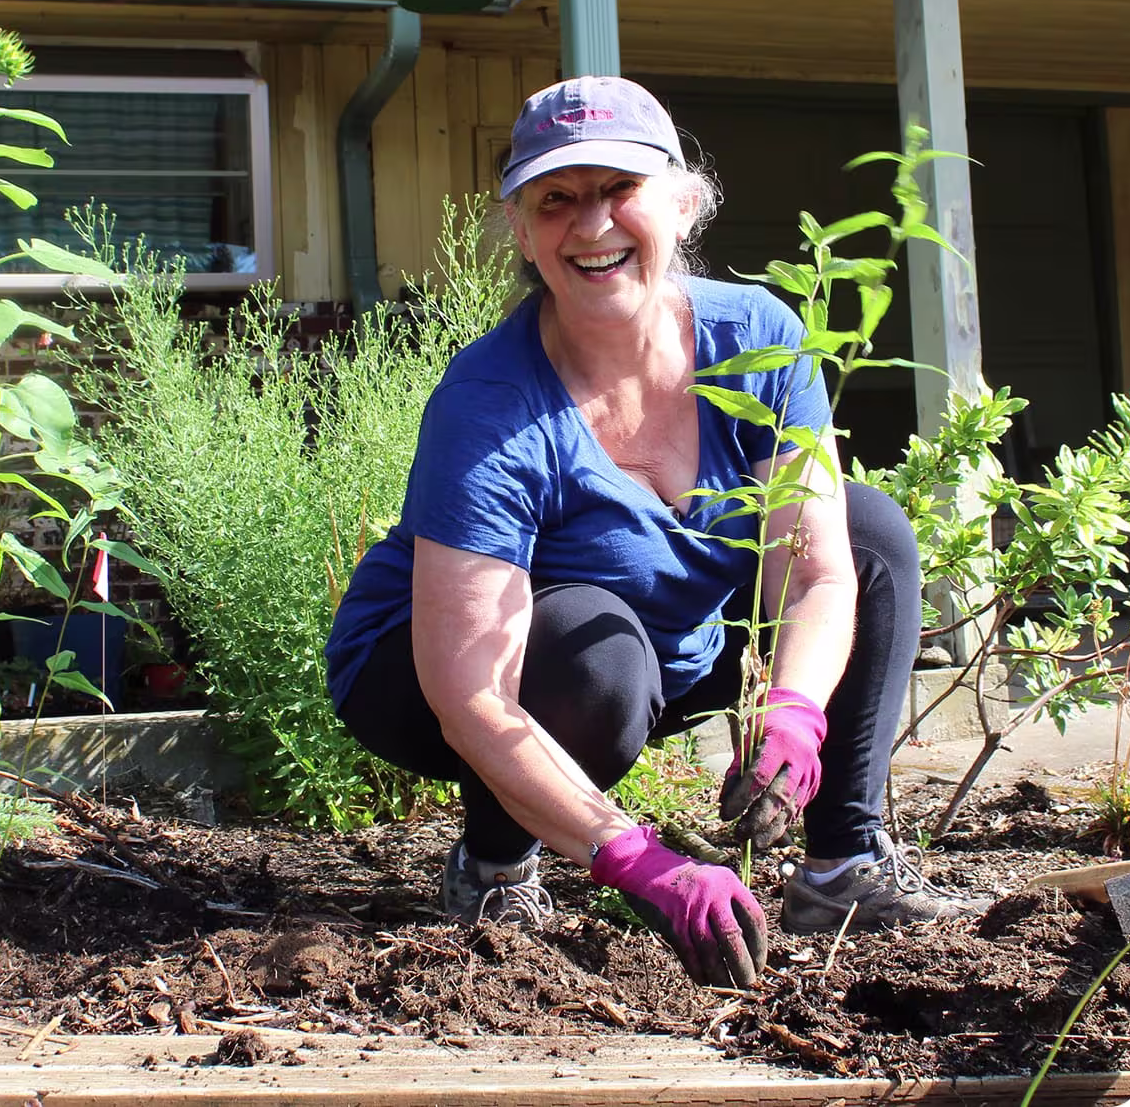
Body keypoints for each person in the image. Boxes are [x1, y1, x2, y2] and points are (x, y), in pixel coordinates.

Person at [324, 76, 985, 989]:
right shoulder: (491, 402)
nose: (591, 226)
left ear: (682, 203)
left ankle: (841, 867)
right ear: (521, 230)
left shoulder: (754, 337)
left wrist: (793, 717)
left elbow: (821, 574)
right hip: (437, 671)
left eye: (618, 190)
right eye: (556, 199)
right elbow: (468, 691)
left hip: (666, 640)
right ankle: (495, 867)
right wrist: (639, 861)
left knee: (869, 530)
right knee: (594, 651)